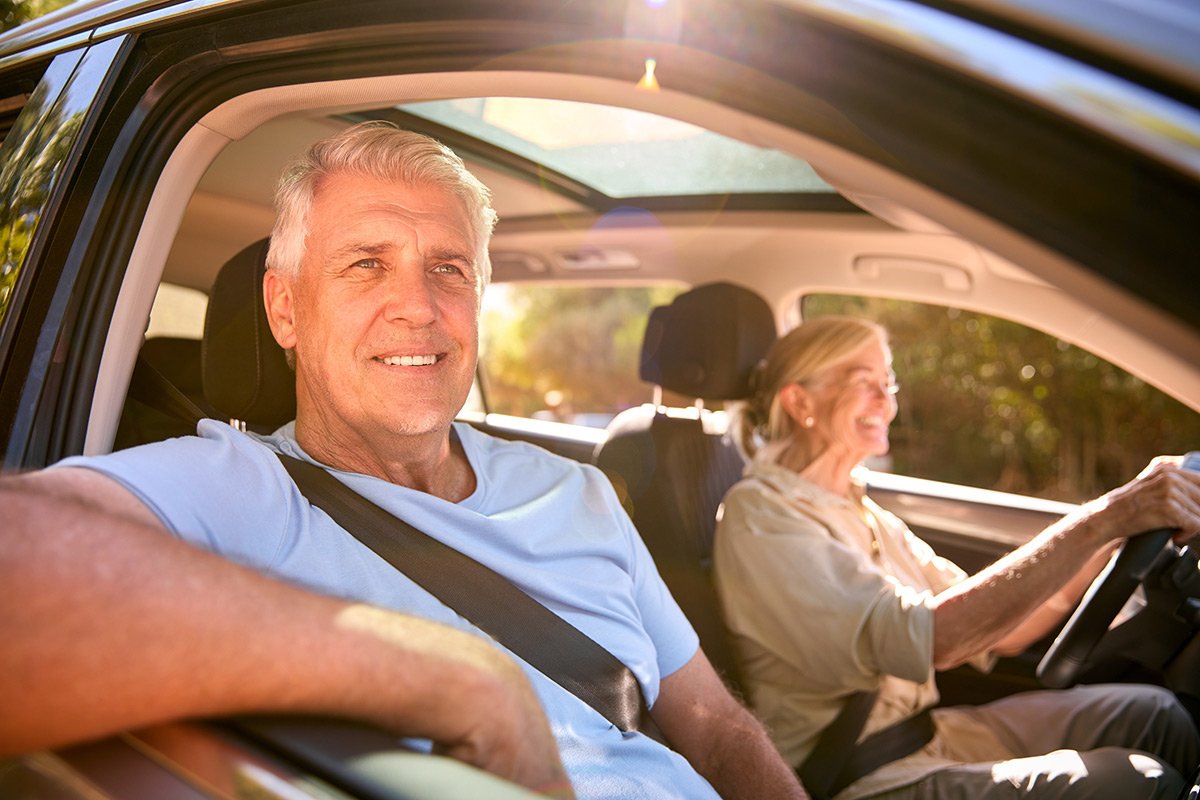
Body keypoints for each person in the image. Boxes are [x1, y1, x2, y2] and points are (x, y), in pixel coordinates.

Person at [0, 122, 808, 800]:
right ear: (285, 310)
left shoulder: (582, 491)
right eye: (366, 264)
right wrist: (464, 682)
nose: (418, 307)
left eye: (448, 270)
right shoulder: (233, 488)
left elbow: (713, 723)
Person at [713, 315, 1200, 799]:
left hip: (929, 735)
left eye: (889, 381)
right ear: (800, 402)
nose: (887, 400)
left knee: (1158, 716)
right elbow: (940, 637)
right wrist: (1104, 517)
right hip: (859, 775)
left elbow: (1000, 632)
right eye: (865, 383)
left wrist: (1110, 539)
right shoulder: (761, 515)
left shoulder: (863, 511)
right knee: (1136, 785)